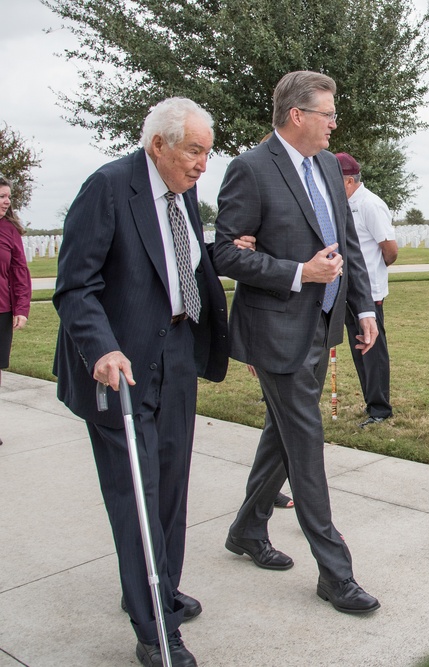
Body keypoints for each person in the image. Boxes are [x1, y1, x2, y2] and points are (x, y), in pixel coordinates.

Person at [52, 97, 230, 667]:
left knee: (172, 487)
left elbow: (178, 263)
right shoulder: (107, 188)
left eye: (208, 151)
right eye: (194, 151)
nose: (204, 163)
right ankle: (155, 629)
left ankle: (162, 588)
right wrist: (100, 347)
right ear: (159, 145)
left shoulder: (185, 190)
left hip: (176, 353)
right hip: (119, 363)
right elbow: (75, 286)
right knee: (137, 493)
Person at [212, 70, 380, 614]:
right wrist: (297, 272)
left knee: (281, 435)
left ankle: (246, 529)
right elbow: (224, 254)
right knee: (305, 444)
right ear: (298, 116)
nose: (336, 123)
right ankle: (336, 572)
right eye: (328, 114)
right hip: (276, 331)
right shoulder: (251, 169)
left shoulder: (331, 166)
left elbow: (346, 244)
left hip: (323, 325)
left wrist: (363, 307)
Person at [337, 152, 398, 427]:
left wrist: (375, 272)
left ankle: (380, 409)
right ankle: (370, 402)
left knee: (373, 351)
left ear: (349, 180)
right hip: (348, 290)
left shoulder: (370, 204)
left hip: (369, 291)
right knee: (358, 348)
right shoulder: (344, 204)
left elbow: (390, 250)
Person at [0, 174, 31, 447]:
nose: (7, 201)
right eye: (1, 196)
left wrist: (21, 308)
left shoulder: (10, 231)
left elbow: (19, 272)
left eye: (8, 197)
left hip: (1, 311)